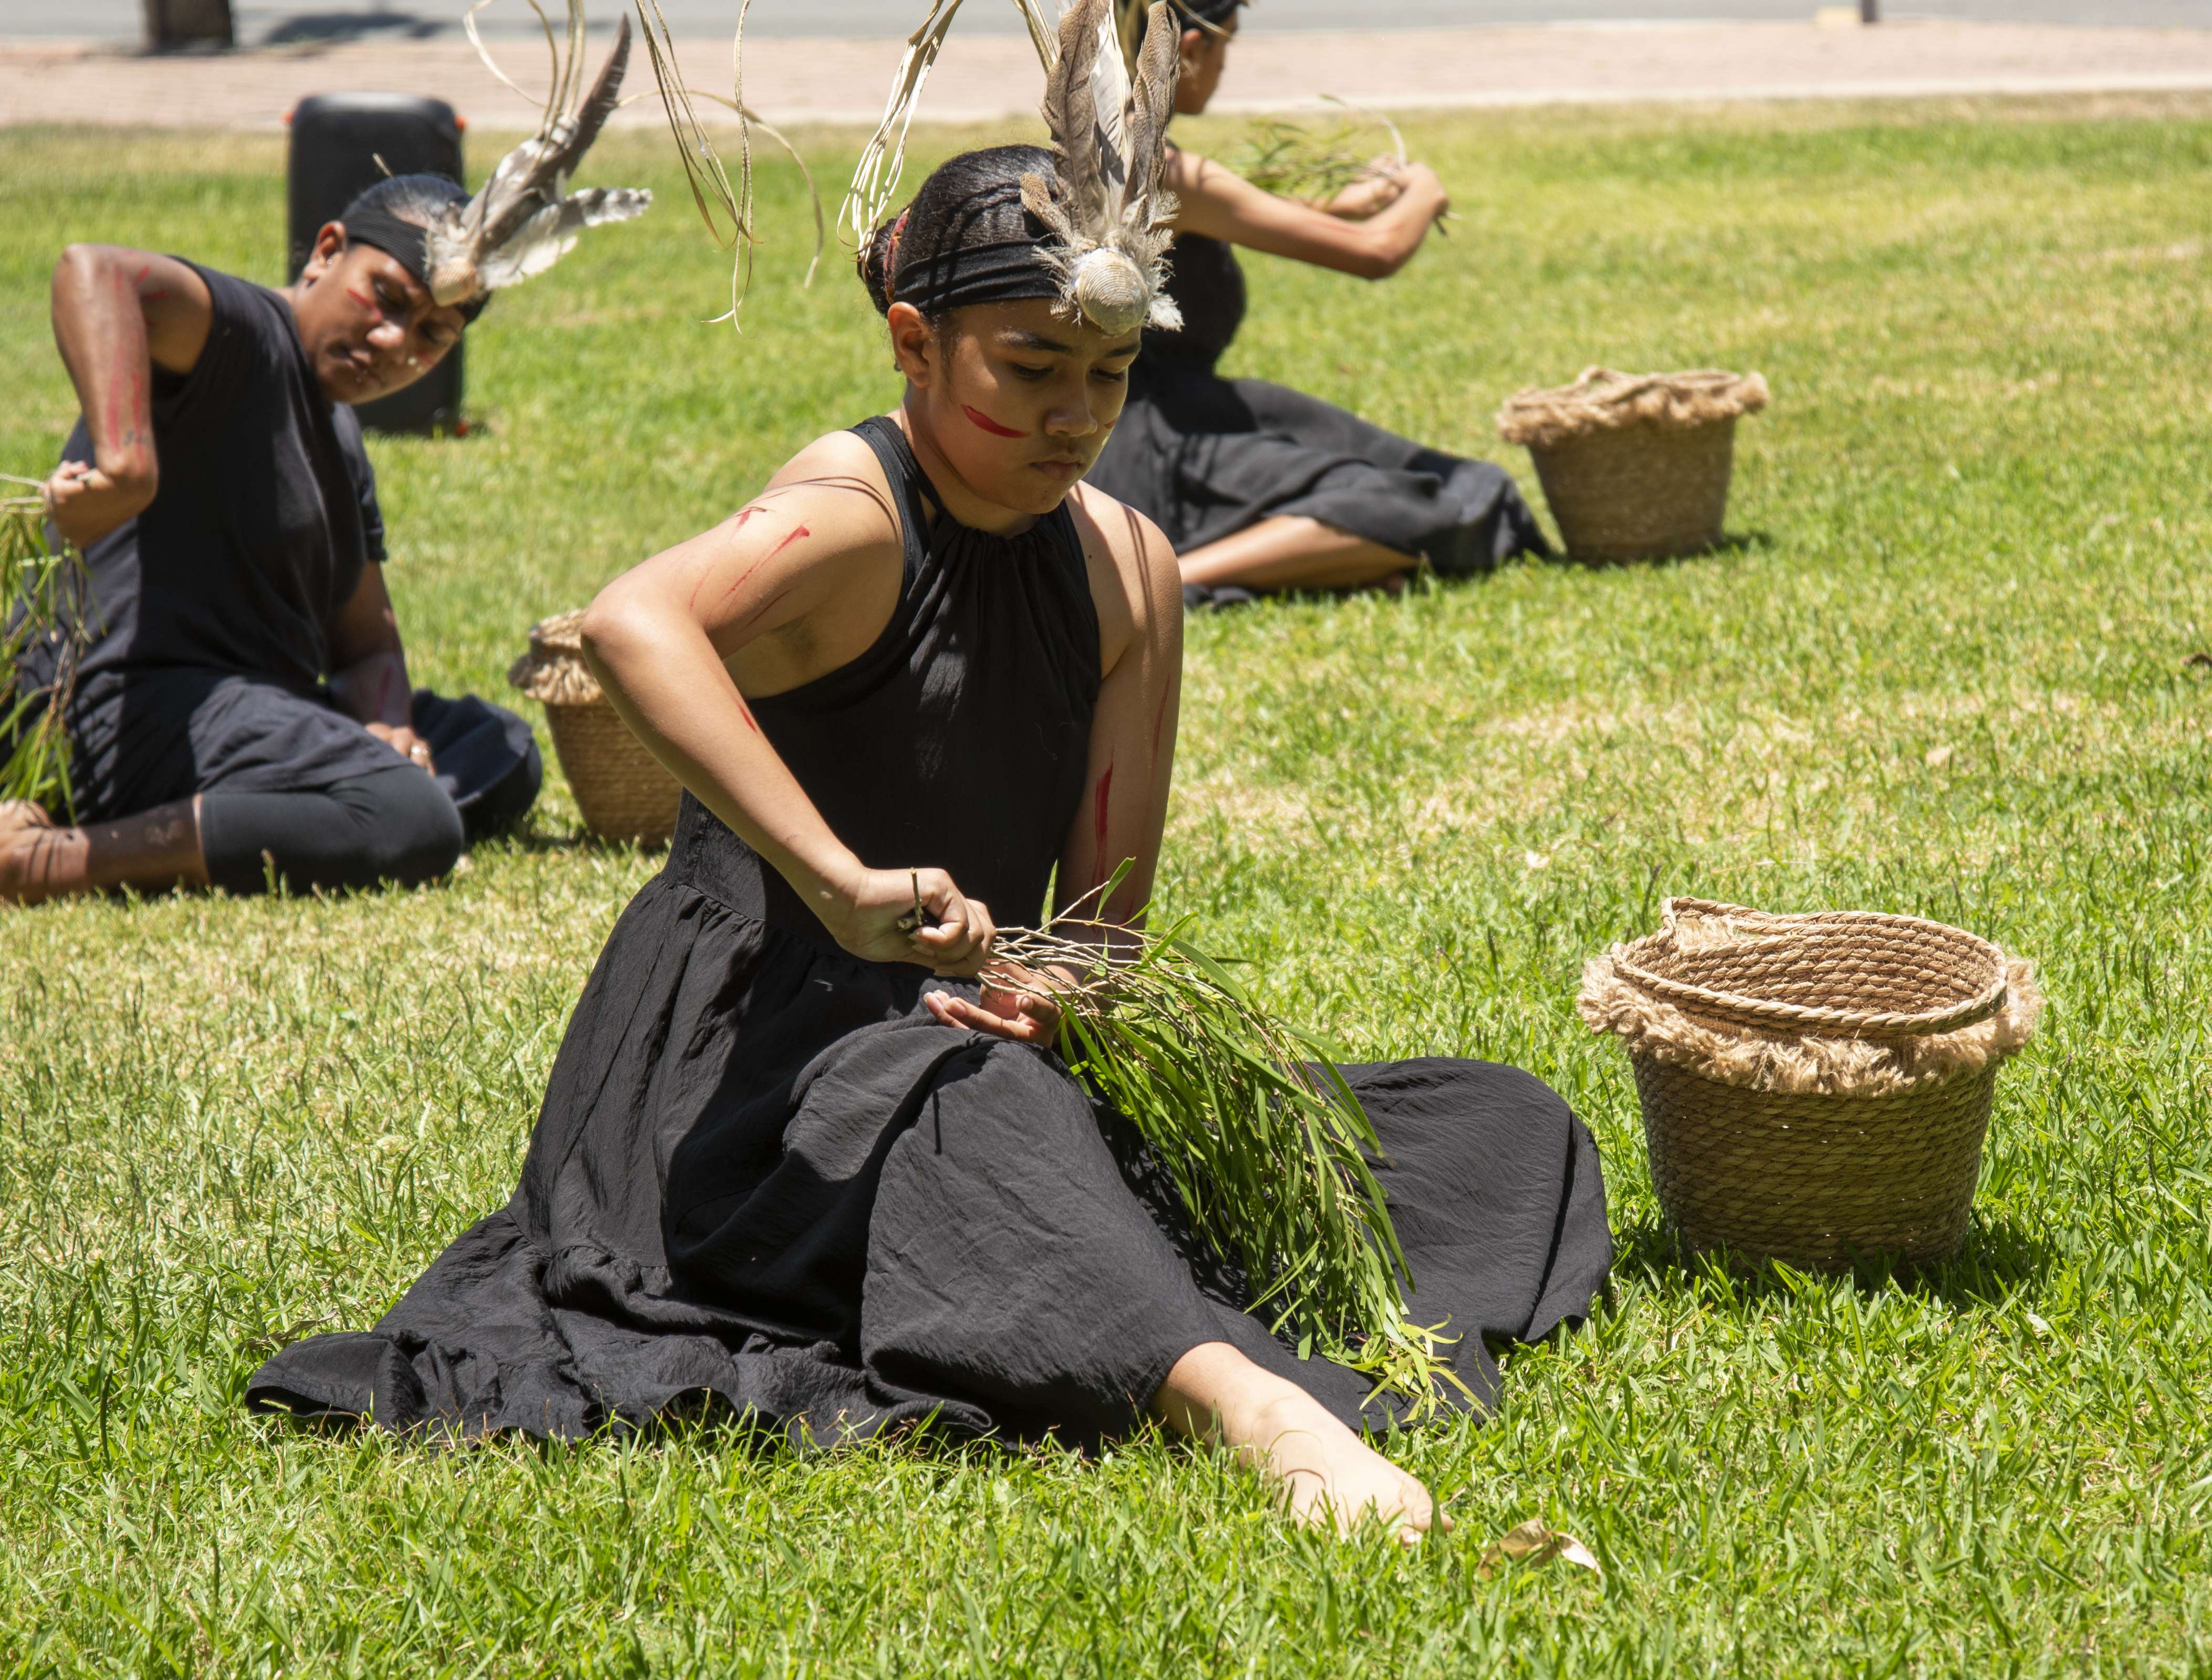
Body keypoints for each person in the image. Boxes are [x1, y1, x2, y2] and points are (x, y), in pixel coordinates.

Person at [248, 3, 1609, 1539]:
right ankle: (1253, 1406)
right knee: (967, 1105)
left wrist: (1063, 987)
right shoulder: (850, 510)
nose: (1073, 417)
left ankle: (1091, 1249)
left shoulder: (1133, 567)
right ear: (913, 340)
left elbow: (1100, 924)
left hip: (975, 1020)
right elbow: (635, 622)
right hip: (748, 1052)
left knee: (1491, 1129)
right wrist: (841, 887)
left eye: (1104, 375)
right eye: (1028, 367)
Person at [0, 16, 652, 905]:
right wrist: (127, 463)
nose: (397, 343)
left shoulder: (339, 432)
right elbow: (97, 273)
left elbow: (364, 632)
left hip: (254, 708)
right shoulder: (243, 336)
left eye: (432, 335)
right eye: (385, 300)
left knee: (495, 751)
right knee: (413, 819)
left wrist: (385, 717)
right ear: (328, 251)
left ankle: (335, 804)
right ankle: (58, 861)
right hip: (123, 712)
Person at [1083, 0, 1549, 605]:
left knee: (1467, 484)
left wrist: (1344, 202)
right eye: (1228, 47)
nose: (1226, 67)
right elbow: (1375, 252)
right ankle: (1171, 578)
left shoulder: (1101, 150)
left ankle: (1277, 558)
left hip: (1143, 420)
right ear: (1192, 51)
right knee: (1430, 501)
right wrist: (1424, 191)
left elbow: (1231, 214)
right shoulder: (1170, 173)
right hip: (1157, 452)